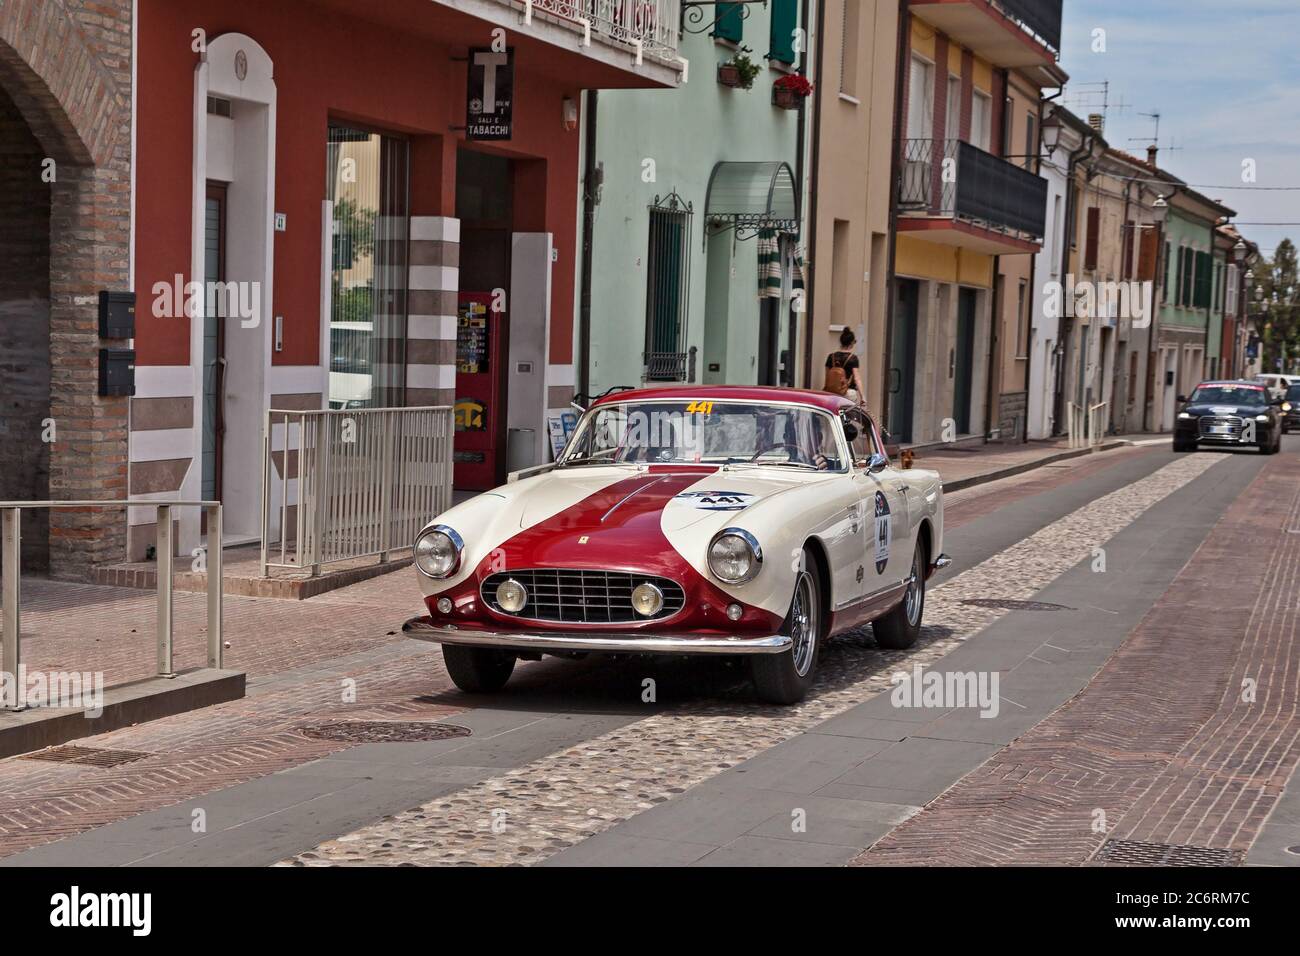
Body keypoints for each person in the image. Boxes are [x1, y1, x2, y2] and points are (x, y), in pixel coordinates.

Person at [824, 328, 866, 405]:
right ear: (851, 343)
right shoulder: (853, 358)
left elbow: (827, 376)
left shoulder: (831, 357)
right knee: (850, 415)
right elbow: (857, 378)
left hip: (832, 393)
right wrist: (862, 396)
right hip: (847, 392)